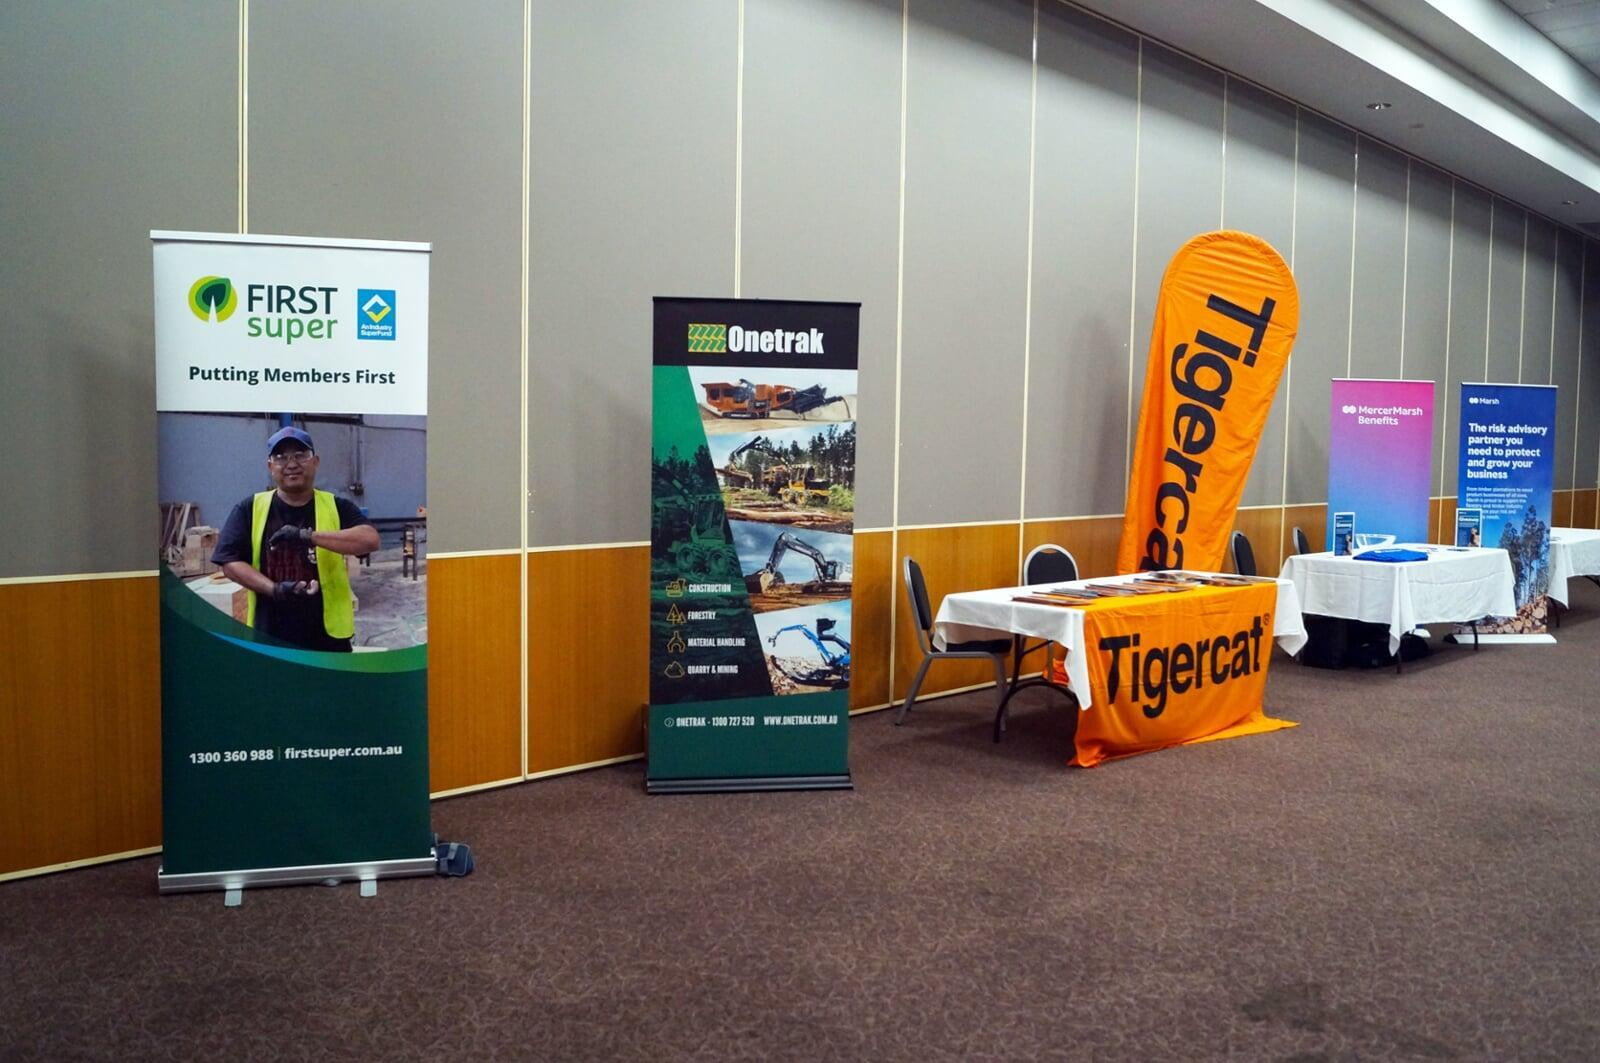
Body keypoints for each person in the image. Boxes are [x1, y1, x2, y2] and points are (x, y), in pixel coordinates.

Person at [212, 426, 380, 652]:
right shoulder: (249, 508)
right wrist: (275, 590)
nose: (291, 464)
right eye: (281, 457)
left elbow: (370, 540)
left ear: (315, 462)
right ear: (270, 466)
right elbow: (229, 562)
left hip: (327, 638)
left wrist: (307, 536)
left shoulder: (336, 506)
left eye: (300, 455)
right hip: (270, 634)